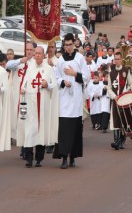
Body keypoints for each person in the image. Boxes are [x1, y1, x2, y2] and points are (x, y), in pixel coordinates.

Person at [19, 47, 58, 167]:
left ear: (43, 55)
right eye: (35, 53)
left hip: (43, 103)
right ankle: (29, 158)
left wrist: (48, 85)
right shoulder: (30, 68)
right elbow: (24, 83)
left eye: (39, 53)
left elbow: (54, 85)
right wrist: (23, 89)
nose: (36, 55)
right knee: (30, 129)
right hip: (30, 103)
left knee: (41, 129)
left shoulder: (48, 68)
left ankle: (39, 158)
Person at [55, 33, 89, 169]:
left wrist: (75, 74)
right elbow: (56, 77)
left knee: (75, 130)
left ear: (74, 45)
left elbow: (87, 77)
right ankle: (63, 157)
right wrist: (63, 81)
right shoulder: (61, 60)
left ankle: (73, 157)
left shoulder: (80, 59)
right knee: (64, 130)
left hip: (75, 101)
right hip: (64, 100)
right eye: (66, 45)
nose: (68, 47)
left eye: (70, 45)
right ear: (64, 45)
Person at [108, 51, 132, 150]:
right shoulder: (111, 73)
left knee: (124, 120)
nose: (117, 61)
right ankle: (116, 141)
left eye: (118, 59)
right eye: (115, 59)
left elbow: (131, 83)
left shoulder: (126, 70)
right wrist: (114, 96)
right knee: (116, 120)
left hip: (124, 99)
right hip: (115, 99)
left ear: (121, 60)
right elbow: (109, 88)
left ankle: (122, 141)